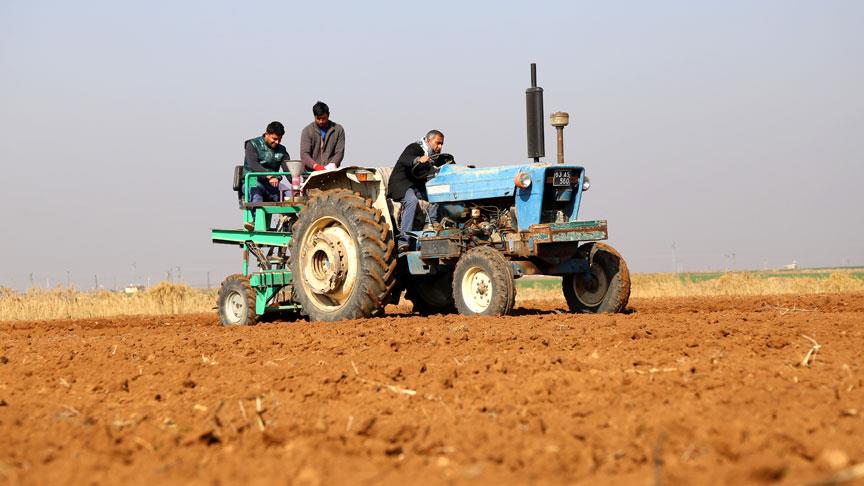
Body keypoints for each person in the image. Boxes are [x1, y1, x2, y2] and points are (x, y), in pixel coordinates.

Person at [387, 130, 444, 252]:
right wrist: (418, 159)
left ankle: (432, 224)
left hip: (417, 187)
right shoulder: (415, 148)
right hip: (402, 184)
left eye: (442, 144)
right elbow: (405, 159)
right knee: (411, 201)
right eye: (437, 143)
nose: (440, 147)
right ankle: (403, 240)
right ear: (429, 140)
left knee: (438, 194)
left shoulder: (434, 157)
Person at [243, 121, 290, 230]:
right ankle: (255, 222)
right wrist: (270, 176)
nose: (277, 142)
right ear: (267, 134)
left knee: (287, 197)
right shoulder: (252, 145)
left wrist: (299, 183)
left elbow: (288, 169)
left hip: (271, 184)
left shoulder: (282, 150)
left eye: (279, 139)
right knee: (256, 192)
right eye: (274, 139)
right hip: (253, 180)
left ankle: (289, 221)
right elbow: (253, 165)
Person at [300, 101, 345, 171]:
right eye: (318, 119)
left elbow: (340, 152)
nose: (321, 121)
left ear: (328, 115)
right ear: (314, 116)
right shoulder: (307, 131)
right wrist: (315, 166)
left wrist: (331, 165)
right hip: (311, 173)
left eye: (323, 118)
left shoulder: (338, 130)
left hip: (331, 172)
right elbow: (304, 154)